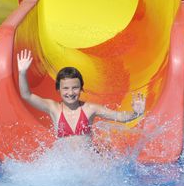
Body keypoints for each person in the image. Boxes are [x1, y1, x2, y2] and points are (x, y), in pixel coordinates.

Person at [17, 49, 146, 139]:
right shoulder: (53, 108)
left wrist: (136, 113)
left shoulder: (90, 109)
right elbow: (26, 95)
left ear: (81, 89)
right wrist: (22, 73)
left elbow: (119, 117)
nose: (70, 93)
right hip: (66, 168)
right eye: (66, 88)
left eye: (75, 88)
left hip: (88, 165)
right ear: (58, 89)